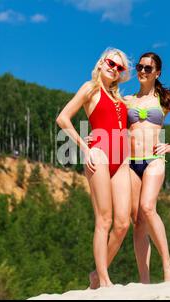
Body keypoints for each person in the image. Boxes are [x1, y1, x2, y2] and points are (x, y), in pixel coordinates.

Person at [56, 48, 132, 288]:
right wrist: (84, 147)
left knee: (122, 224)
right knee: (104, 220)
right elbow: (63, 118)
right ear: (101, 62)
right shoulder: (90, 88)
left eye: (120, 68)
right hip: (98, 156)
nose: (115, 69)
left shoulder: (120, 99)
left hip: (121, 161)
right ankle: (104, 281)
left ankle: (97, 274)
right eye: (112, 63)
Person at [127, 52, 170, 283]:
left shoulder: (164, 99)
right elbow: (106, 124)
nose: (142, 71)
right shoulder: (127, 100)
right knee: (137, 221)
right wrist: (93, 140)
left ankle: (168, 266)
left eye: (148, 68)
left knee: (148, 207)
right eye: (140, 67)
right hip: (131, 162)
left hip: (154, 160)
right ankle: (144, 280)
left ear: (157, 72)